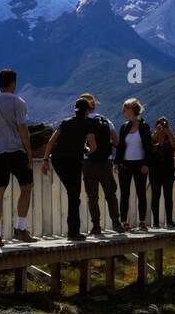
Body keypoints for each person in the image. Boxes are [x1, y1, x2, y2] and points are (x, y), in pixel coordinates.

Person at [0, 68, 36, 246]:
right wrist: (29, 152)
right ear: (13, 83)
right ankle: (21, 227)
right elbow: (22, 127)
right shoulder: (18, 102)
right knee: (26, 187)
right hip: (15, 150)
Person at [40, 97, 96, 240]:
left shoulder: (65, 122)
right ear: (87, 110)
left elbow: (51, 141)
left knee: (72, 194)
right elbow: (93, 146)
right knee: (74, 195)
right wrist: (86, 150)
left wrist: (45, 160)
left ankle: (73, 231)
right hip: (74, 162)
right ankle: (73, 232)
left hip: (58, 160)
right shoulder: (88, 124)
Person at [79, 92, 122, 235]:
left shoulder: (81, 121)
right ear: (94, 105)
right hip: (105, 162)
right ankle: (116, 223)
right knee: (111, 194)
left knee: (92, 196)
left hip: (88, 163)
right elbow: (116, 142)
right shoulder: (105, 121)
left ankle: (96, 226)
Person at [116, 98, 153, 232]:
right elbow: (121, 147)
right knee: (124, 193)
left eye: (125, 109)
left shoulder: (144, 126)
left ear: (132, 110)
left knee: (141, 192)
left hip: (140, 164)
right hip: (125, 164)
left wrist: (146, 163)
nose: (123, 112)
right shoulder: (124, 127)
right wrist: (117, 162)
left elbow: (149, 147)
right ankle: (124, 221)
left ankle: (142, 222)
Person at [150, 116, 175, 228]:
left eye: (164, 125)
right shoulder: (153, 137)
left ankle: (169, 220)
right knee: (155, 196)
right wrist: (156, 133)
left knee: (168, 196)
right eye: (160, 125)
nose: (162, 127)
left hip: (168, 171)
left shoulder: (170, 138)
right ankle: (156, 222)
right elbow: (148, 145)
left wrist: (168, 131)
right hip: (155, 171)